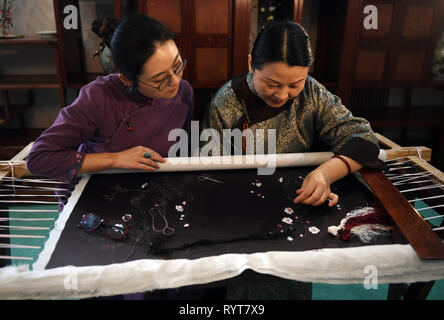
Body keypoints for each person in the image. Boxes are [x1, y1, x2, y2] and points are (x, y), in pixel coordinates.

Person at [203, 20, 384, 208]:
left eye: (294, 84)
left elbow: (364, 140)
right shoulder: (227, 101)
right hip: (241, 195)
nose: (282, 95)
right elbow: (209, 169)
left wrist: (324, 174)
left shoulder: (312, 93)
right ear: (251, 64)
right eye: (271, 84)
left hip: (301, 190)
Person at [26, 14, 193, 183]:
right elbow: (38, 158)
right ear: (126, 79)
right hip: (95, 187)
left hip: (151, 184)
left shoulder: (183, 92)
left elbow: (182, 151)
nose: (175, 80)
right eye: (159, 79)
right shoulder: (98, 97)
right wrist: (115, 159)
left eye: (177, 65)